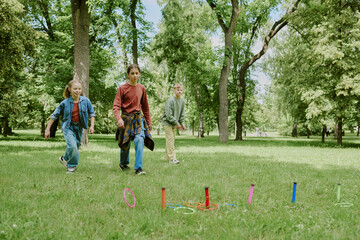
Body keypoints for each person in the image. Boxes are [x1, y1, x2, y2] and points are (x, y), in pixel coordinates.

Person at [45, 80, 95, 173]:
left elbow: (92, 113)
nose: (77, 91)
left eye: (79, 89)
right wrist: (47, 130)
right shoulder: (65, 103)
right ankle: (71, 166)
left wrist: (92, 126)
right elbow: (54, 116)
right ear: (69, 90)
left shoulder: (86, 101)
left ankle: (64, 158)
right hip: (68, 127)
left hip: (79, 127)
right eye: (75, 89)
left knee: (76, 146)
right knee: (72, 146)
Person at [113, 64, 154, 175]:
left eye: (137, 73)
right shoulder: (122, 88)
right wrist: (118, 119)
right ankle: (123, 163)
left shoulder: (142, 88)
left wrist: (149, 123)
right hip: (126, 119)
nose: (135, 75)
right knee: (125, 144)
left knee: (139, 140)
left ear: (139, 74)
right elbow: (116, 106)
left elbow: (145, 107)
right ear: (128, 75)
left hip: (138, 119)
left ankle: (138, 168)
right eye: (132, 73)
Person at [162, 83, 186, 164]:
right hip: (167, 122)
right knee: (170, 139)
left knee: (171, 140)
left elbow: (182, 113)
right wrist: (176, 123)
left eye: (181, 90)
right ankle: (172, 158)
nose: (180, 91)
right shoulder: (170, 100)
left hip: (173, 123)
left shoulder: (182, 101)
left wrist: (182, 123)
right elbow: (168, 115)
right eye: (178, 90)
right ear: (174, 90)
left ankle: (168, 157)